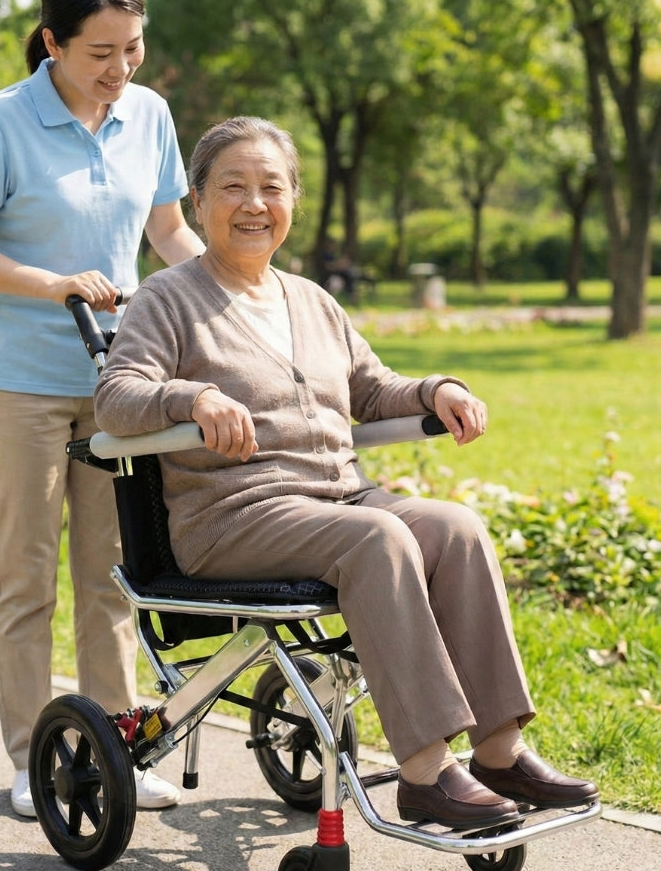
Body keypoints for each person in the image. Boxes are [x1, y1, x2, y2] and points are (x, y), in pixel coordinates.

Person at [93, 117, 597, 830]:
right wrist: (192, 396)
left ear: (294, 199)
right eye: (232, 187)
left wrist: (433, 391)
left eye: (272, 187)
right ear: (198, 202)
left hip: (337, 500)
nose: (254, 204)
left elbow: (370, 387)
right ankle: (424, 773)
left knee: (456, 527)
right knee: (378, 540)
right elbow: (115, 397)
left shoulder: (312, 301)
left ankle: (499, 750)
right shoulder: (168, 298)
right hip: (235, 516)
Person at [0, 0, 204, 817]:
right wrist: (53, 281)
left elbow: (167, 229)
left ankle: (116, 744)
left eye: (132, 49)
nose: (118, 70)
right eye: (99, 53)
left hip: (118, 376)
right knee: (26, 575)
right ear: (51, 43)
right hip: (21, 381)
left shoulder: (150, 115)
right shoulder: (1, 121)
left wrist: (238, 294)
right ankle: (32, 756)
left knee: (114, 573)